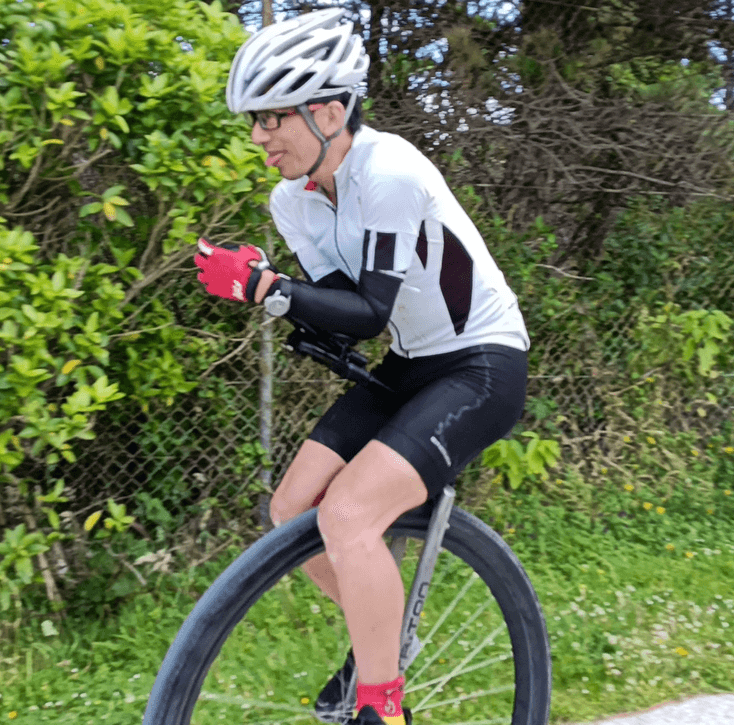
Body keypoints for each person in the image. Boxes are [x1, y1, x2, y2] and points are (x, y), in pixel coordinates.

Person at [194, 8, 530, 725]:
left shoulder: (390, 169)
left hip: (482, 364)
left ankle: (382, 706)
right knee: (291, 509)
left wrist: (271, 290)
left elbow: (371, 309)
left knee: (348, 513)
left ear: (326, 111)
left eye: (270, 118)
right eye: (253, 121)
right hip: (413, 362)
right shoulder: (293, 201)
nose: (258, 137)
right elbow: (338, 302)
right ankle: (380, 639)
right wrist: (272, 283)